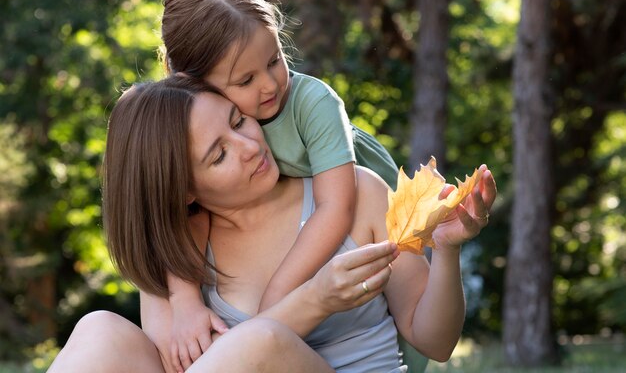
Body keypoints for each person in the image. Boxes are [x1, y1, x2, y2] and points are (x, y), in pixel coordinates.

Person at [50, 76, 496, 372]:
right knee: (99, 330)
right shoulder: (175, 256)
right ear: (184, 190)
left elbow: (437, 343)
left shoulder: (355, 194)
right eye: (219, 154)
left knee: (261, 341)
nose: (248, 146)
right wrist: (316, 299)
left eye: (239, 120)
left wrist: (447, 248)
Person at [158, 0, 405, 368]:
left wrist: (275, 301)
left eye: (275, 60)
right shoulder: (194, 137)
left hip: (352, 206)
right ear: (194, 84)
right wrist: (184, 300)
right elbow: (180, 219)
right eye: (246, 80)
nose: (271, 86)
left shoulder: (311, 104)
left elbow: (336, 207)